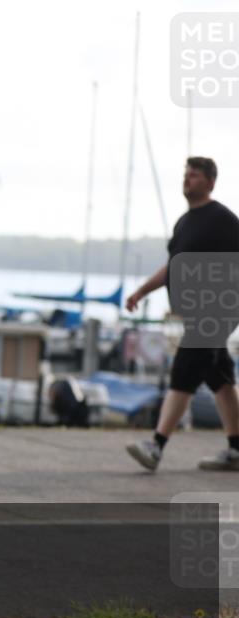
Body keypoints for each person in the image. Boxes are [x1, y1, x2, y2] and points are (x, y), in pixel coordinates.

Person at [125, 157, 239, 472]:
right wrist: (142, 291)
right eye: (185, 174)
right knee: (221, 378)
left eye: (195, 175)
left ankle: (156, 446)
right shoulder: (184, 223)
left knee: (185, 370)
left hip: (216, 310)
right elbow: (173, 267)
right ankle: (236, 449)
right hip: (195, 313)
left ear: (211, 182)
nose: (187, 179)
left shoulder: (223, 219)